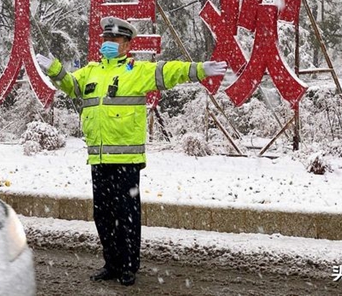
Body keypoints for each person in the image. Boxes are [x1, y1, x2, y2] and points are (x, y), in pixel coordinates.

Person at [36, 16, 226, 287]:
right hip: (99, 156)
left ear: (127, 44)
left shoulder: (136, 71)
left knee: (126, 213)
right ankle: (111, 264)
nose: (108, 44)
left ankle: (128, 266)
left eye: (114, 40)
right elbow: (71, 86)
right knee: (102, 215)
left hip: (126, 157)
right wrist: (55, 69)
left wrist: (199, 69)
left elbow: (169, 71)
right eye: (106, 40)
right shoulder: (91, 71)